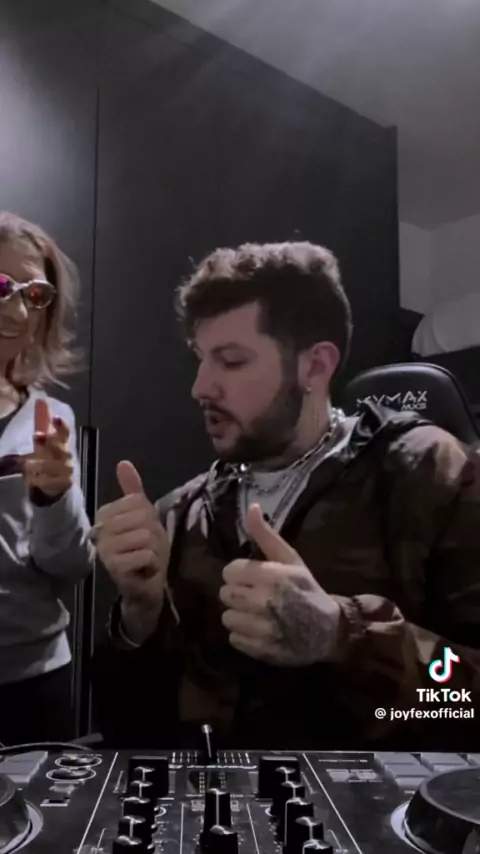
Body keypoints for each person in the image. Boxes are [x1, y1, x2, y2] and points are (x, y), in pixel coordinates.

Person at [93, 241, 480, 750]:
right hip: (209, 799)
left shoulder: (429, 475)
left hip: (366, 802)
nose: (200, 387)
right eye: (201, 360)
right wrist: (139, 617)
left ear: (314, 367)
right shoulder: (181, 514)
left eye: (231, 361)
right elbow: (127, 732)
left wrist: (343, 637)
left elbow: (468, 704)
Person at [0, 212, 94, 744]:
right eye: (0, 286)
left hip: (34, 680)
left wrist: (55, 498)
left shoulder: (50, 420)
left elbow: (71, 565)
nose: (17, 311)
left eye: (33, 295)